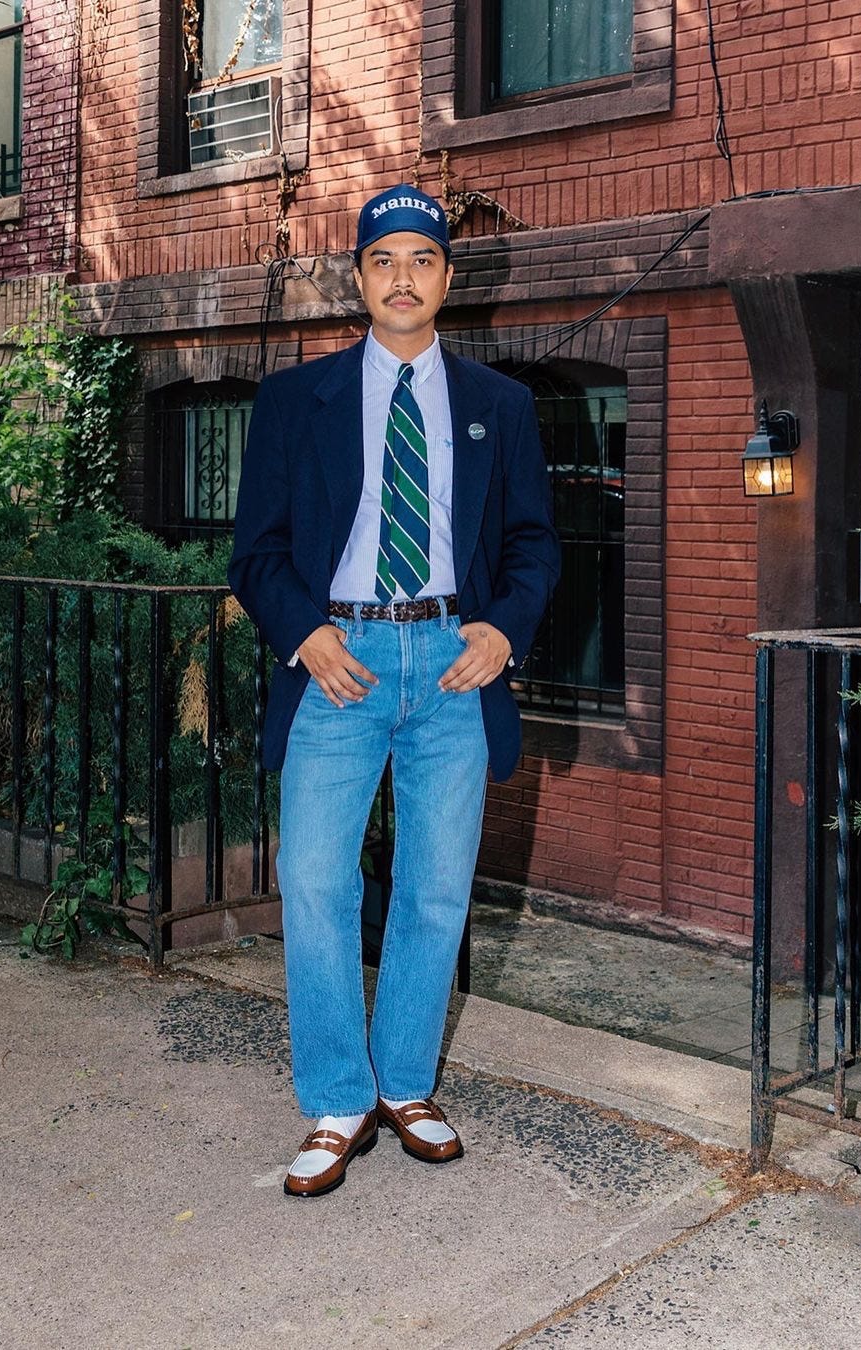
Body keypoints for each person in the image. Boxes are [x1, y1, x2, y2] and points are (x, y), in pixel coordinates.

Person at [228, 184, 559, 1198]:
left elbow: (534, 546)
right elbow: (259, 553)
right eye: (384, 260)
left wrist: (503, 628)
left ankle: (407, 1083)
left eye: (423, 258)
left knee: (433, 890)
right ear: (359, 280)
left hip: (454, 665)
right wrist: (307, 632)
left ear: (448, 279)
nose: (403, 277)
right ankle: (337, 1099)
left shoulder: (502, 408)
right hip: (342, 665)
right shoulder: (297, 400)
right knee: (318, 879)